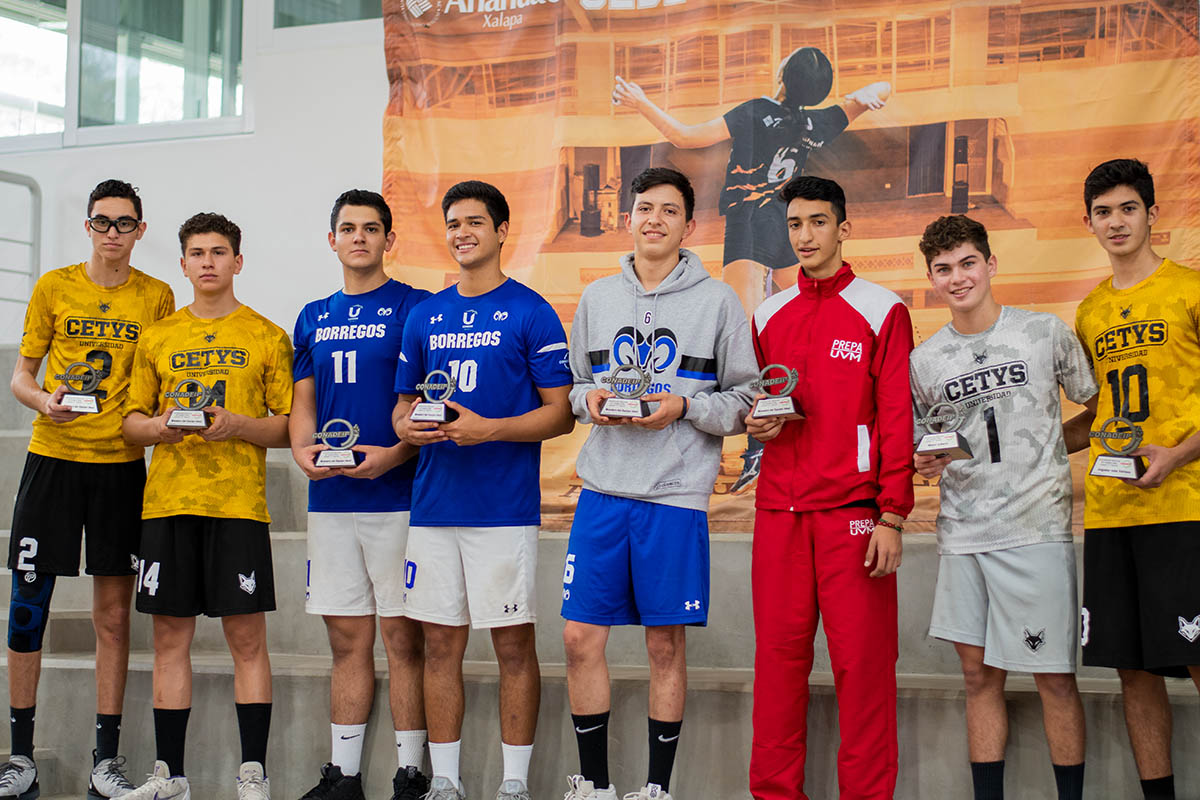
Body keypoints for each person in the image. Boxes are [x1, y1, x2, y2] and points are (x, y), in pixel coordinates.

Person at [559, 167, 757, 800]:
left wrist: (686, 408)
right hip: (603, 492)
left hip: (674, 497)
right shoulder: (597, 298)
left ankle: (655, 789)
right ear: (628, 218)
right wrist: (594, 403)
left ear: (689, 225)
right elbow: (575, 388)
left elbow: (748, 397)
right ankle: (594, 786)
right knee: (578, 637)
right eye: (644, 208)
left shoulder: (720, 300)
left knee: (664, 645)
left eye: (669, 211)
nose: (654, 220)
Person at [613, 46, 890, 492]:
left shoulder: (758, 111)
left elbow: (684, 137)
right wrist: (868, 93)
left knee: (745, 338)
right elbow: (877, 92)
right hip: (782, 224)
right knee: (786, 332)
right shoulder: (815, 122)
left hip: (746, 223)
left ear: (782, 73)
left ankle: (757, 447)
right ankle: (787, 434)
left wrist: (640, 101)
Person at [392, 180, 574, 800]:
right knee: (439, 642)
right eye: (453, 223)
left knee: (512, 643)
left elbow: (561, 414)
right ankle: (445, 781)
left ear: (501, 233)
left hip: (502, 510)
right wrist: (412, 427)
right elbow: (401, 412)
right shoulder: (425, 315)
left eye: (475, 221)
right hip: (435, 507)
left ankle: (514, 785)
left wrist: (490, 429)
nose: (462, 232)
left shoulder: (531, 310)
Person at [910, 215, 1096, 800]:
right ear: (932, 279)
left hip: (1035, 528)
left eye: (967, 263)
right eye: (943, 269)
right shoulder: (925, 359)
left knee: (1054, 680)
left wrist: (1046, 443)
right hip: (963, 532)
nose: (957, 278)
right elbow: (922, 442)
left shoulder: (1043, 332)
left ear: (991, 264)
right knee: (977, 676)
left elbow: (1100, 409)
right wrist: (925, 461)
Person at [0, 179, 173, 800]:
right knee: (27, 609)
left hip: (120, 469)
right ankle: (19, 758)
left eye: (124, 223)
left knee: (111, 615)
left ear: (140, 231)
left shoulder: (157, 296)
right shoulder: (53, 286)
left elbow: (158, 385)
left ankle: (107, 760)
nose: (112, 233)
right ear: (89, 227)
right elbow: (22, 376)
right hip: (53, 459)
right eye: (102, 221)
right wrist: (45, 400)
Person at [745, 175, 913, 800]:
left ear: (844, 228)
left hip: (855, 518)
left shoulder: (882, 308)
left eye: (818, 222)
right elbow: (757, 403)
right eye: (795, 225)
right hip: (779, 516)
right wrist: (755, 424)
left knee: (864, 673)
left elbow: (897, 416)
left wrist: (892, 515)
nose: (806, 236)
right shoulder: (767, 313)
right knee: (778, 672)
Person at [120, 213, 293, 800]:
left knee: (248, 641)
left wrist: (241, 425)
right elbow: (130, 423)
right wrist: (159, 428)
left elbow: (289, 427)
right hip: (167, 507)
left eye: (219, 252)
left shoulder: (267, 336)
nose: (209, 262)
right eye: (197, 253)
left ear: (237, 262)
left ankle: (253, 774)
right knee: (169, 641)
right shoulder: (158, 337)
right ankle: (171, 774)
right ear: (184, 263)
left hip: (237, 508)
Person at [291, 190, 433, 800]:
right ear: (332, 240)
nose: (358, 238)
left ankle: (410, 773)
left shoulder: (416, 307)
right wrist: (302, 454)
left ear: (388, 240)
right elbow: (304, 401)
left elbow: (428, 406)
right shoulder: (312, 314)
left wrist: (396, 455)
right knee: (345, 640)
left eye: (371, 229)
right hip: (331, 502)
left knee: (403, 639)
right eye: (347, 228)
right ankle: (343, 776)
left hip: (397, 495)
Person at [1068, 158, 1200, 800]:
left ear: (1152, 214)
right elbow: (1095, 418)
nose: (1115, 222)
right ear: (1089, 223)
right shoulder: (1090, 311)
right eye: (1103, 212)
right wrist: (1007, 443)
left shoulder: (1190, 290)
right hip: (1112, 510)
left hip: (1185, 506)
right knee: (1132, 668)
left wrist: (1176, 455)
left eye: (1127, 208)